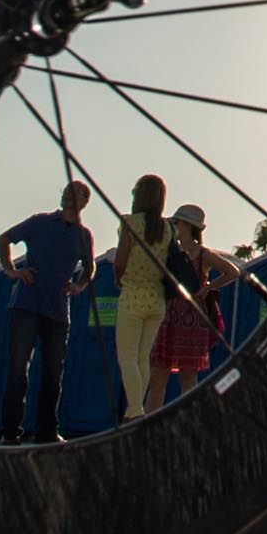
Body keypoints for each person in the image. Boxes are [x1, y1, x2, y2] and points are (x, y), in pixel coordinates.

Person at [0, 179, 94, 443]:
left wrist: (79, 285)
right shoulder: (39, 222)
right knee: (18, 370)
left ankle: (47, 431)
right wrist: (11, 270)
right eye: (65, 192)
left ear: (85, 202)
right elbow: (3, 239)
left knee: (53, 374)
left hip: (58, 311)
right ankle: (10, 431)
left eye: (74, 194)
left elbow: (90, 267)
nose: (67, 197)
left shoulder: (83, 235)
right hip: (27, 304)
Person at [147, 205, 229, 411]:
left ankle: (188, 424)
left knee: (188, 378)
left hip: (192, 320)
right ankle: (147, 425)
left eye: (177, 222)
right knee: (158, 377)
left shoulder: (204, 255)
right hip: (168, 317)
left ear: (188, 226)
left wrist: (209, 287)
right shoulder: (169, 251)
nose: (174, 226)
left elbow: (232, 272)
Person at [111, 175, 175, 418]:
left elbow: (120, 262)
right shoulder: (167, 228)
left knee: (126, 356)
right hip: (156, 298)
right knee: (142, 357)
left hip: (133, 295)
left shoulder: (129, 223)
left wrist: (118, 279)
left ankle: (135, 409)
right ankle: (138, 406)